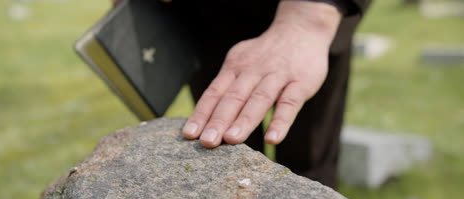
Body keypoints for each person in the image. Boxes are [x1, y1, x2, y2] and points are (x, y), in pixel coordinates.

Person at [115, 0, 371, 189]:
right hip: (205, 20)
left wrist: (312, 16)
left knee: (308, 165)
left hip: (304, 23)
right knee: (224, 154)